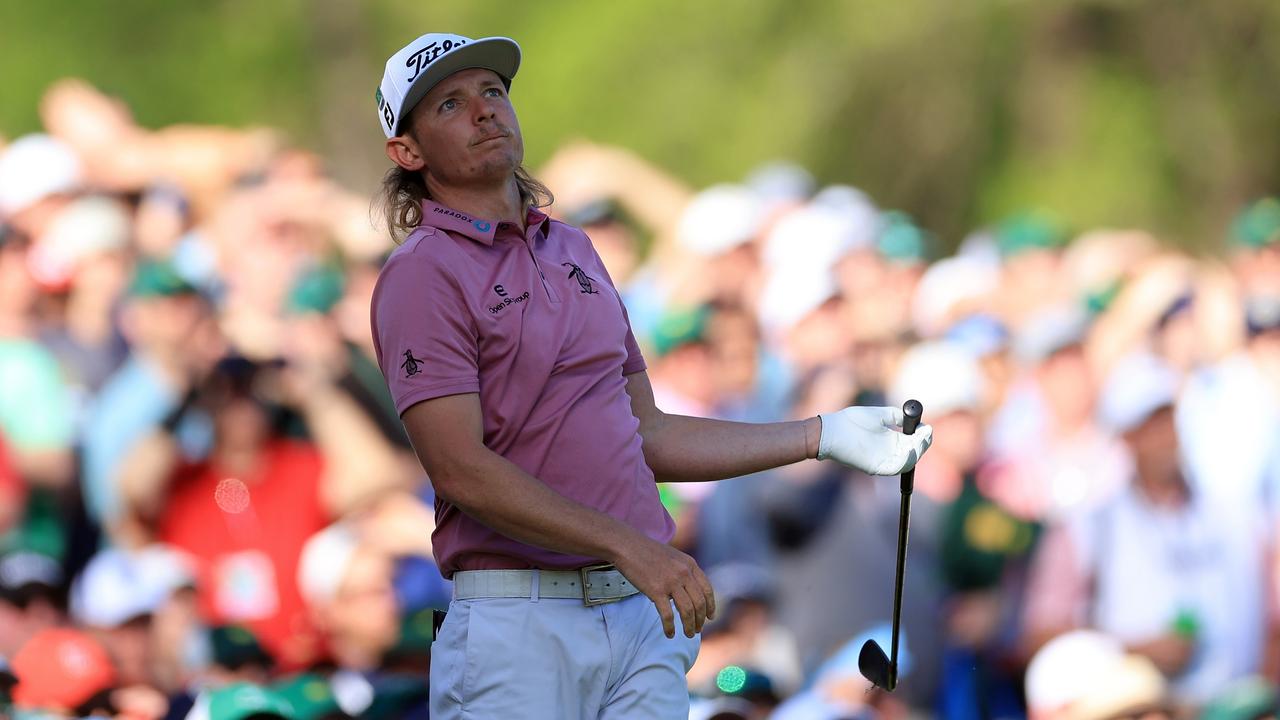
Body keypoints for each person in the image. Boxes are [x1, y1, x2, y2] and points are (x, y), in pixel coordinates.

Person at [369, 32, 934, 718]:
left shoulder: (573, 247)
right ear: (409, 152)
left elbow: (648, 434)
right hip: (517, 622)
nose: (485, 111)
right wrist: (628, 544)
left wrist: (821, 434)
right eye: (450, 104)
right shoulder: (422, 271)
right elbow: (459, 468)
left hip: (638, 615)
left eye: (492, 92)